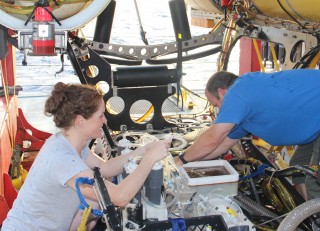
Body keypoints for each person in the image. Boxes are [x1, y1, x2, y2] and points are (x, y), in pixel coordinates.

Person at [2, 82, 171, 231]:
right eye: (100, 116)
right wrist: (149, 160)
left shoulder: (69, 142)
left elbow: (105, 168)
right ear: (80, 120)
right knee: (98, 200)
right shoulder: (62, 159)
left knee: (94, 202)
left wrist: (145, 150)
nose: (105, 121)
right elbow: (120, 197)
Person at [174, 69, 320, 200]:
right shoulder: (245, 111)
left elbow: (212, 138)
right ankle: (306, 215)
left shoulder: (238, 91)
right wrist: (188, 162)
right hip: (315, 125)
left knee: (314, 181)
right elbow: (220, 146)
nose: (218, 109)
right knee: (299, 167)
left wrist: (181, 159)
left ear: (222, 92)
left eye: (216, 104)